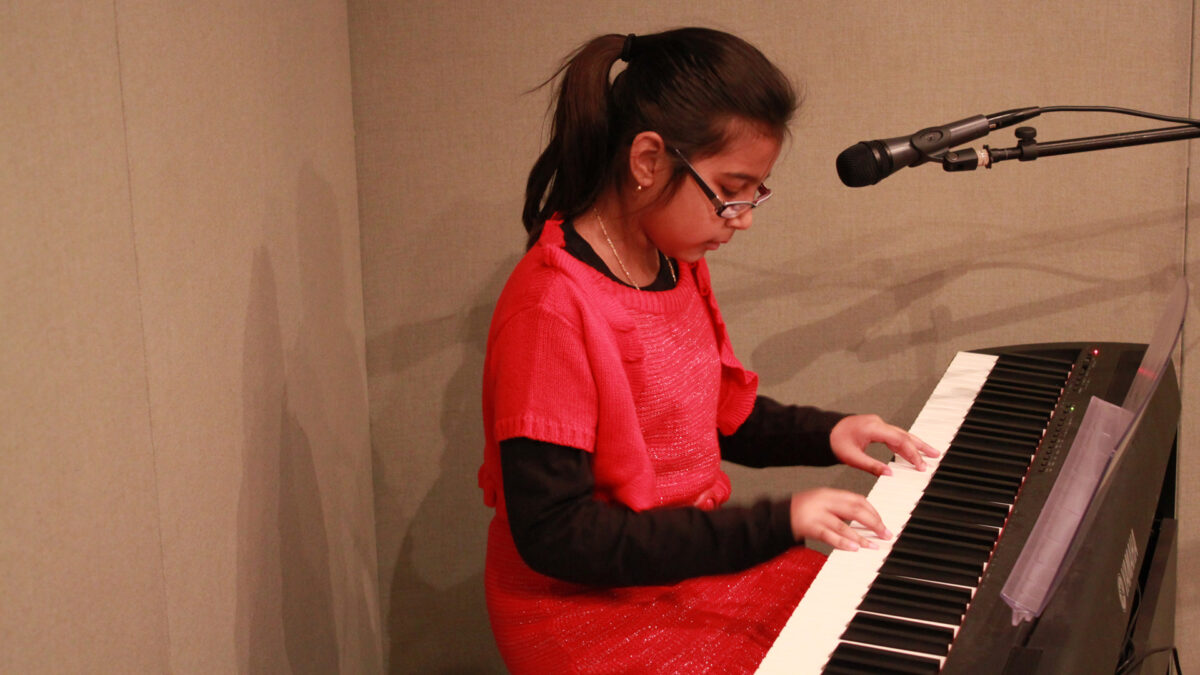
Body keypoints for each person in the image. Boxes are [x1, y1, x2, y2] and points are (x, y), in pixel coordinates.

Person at [477, 28, 938, 673]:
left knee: (894, 625)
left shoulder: (672, 261)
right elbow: (556, 536)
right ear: (647, 161)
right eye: (731, 188)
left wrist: (828, 432)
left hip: (686, 569)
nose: (744, 216)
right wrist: (775, 523)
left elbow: (716, 413)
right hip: (591, 613)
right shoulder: (551, 306)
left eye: (755, 191)